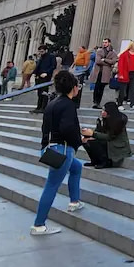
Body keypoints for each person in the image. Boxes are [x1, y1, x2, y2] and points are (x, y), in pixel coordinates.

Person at [33, 70, 88, 235]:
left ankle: (75, 201)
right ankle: (39, 224)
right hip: (62, 149)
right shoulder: (69, 105)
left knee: (77, 167)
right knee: (52, 185)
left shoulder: (53, 103)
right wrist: (79, 140)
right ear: (73, 87)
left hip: (50, 147)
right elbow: (67, 129)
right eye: (77, 86)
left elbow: (46, 128)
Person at [83, 101, 132, 169]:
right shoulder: (104, 119)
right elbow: (99, 132)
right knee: (86, 141)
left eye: (104, 110)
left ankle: (105, 162)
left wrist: (93, 134)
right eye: (102, 110)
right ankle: (95, 161)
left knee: (96, 142)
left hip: (117, 146)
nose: (102, 112)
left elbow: (110, 137)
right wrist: (88, 135)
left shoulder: (119, 121)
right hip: (109, 142)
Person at [89, 39, 118, 109]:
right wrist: (108, 62)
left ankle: (98, 102)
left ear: (109, 43)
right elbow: (98, 61)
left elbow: (113, 61)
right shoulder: (99, 51)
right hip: (98, 71)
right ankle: (95, 102)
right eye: (103, 42)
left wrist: (104, 59)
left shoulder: (113, 52)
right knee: (96, 87)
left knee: (101, 88)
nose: (104, 44)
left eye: (106, 42)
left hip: (105, 73)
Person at [32, 45, 59, 113]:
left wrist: (46, 73)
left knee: (44, 92)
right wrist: (35, 73)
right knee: (39, 92)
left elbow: (53, 66)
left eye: (42, 51)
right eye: (40, 51)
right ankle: (39, 107)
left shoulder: (51, 56)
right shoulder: (41, 57)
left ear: (46, 50)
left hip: (46, 76)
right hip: (39, 76)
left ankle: (43, 107)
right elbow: (38, 65)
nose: (41, 53)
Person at [116, 41, 134, 109]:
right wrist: (120, 74)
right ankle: (120, 104)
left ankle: (132, 104)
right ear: (131, 46)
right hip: (125, 73)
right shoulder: (124, 54)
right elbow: (120, 64)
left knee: (132, 89)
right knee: (122, 90)